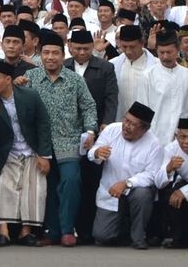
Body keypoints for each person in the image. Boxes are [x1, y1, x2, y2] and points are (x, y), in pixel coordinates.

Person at [24, 31, 98, 247]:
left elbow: (88, 106)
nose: (50, 57)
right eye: (46, 53)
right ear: (40, 54)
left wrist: (91, 131)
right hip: (40, 144)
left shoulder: (75, 80)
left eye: (55, 53)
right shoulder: (31, 78)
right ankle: (52, 231)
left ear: (63, 54)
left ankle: (67, 229)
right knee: (46, 186)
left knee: (71, 182)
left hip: (69, 141)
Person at [0, 60, 52, 247]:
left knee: (33, 189)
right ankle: (4, 232)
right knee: (3, 187)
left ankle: (26, 232)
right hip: (5, 153)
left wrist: (44, 155)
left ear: (8, 79)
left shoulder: (29, 96)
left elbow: (43, 124)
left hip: (31, 150)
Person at [63, 29, 119, 243]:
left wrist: (105, 125)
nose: (82, 52)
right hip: (67, 132)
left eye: (86, 48)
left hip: (94, 133)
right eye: (77, 48)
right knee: (70, 180)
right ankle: (68, 227)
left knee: (90, 180)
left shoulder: (105, 67)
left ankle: (86, 229)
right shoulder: (63, 65)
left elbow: (111, 98)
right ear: (69, 46)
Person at [89, 102, 164, 249]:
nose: (126, 126)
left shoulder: (154, 144)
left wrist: (127, 183)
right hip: (111, 191)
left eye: (132, 124)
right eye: (126, 120)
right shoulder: (112, 130)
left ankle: (138, 237)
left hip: (135, 191)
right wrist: (97, 153)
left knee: (142, 194)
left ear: (144, 129)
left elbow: (152, 175)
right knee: (102, 236)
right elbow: (93, 152)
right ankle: (123, 228)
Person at [143, 31, 188, 146]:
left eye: (169, 52)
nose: (165, 57)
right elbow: (143, 108)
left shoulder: (186, 75)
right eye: (161, 53)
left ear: (177, 51)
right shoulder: (148, 76)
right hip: (155, 137)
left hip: (182, 140)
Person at [155, 118, 188, 248]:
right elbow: (158, 182)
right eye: (183, 137)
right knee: (169, 195)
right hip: (184, 182)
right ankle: (178, 238)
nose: (186, 142)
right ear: (176, 136)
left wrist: (183, 192)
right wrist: (168, 168)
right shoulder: (171, 148)